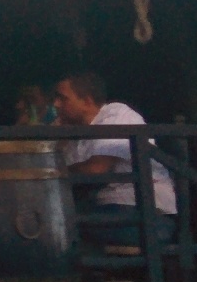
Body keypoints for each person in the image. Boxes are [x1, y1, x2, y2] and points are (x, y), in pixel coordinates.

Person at [53, 70, 177, 230]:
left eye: (63, 99)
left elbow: (96, 169)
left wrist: (51, 172)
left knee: (59, 228)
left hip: (142, 211)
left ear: (87, 102)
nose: (56, 104)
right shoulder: (73, 131)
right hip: (106, 207)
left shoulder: (116, 114)